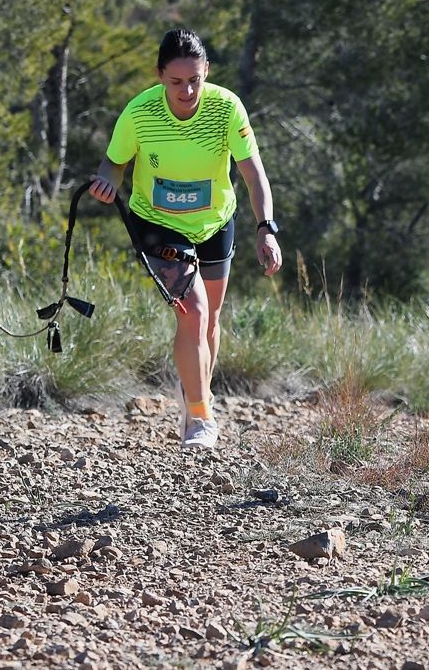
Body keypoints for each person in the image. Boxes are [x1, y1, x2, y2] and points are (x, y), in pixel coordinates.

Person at [89, 29, 283, 449]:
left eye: (195, 79)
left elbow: (253, 174)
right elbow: (113, 164)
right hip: (157, 224)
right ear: (160, 76)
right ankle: (199, 418)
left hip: (215, 222)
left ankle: (196, 392)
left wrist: (266, 228)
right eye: (176, 81)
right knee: (192, 313)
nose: (187, 90)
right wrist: (105, 183)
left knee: (211, 319)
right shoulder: (139, 113)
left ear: (207, 71)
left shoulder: (226, 108)